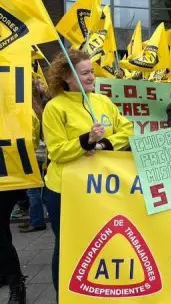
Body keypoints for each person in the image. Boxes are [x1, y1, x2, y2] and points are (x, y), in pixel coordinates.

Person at [42, 50, 134, 299]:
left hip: (97, 189)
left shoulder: (103, 102)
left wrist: (102, 144)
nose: (92, 76)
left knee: (94, 243)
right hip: (63, 190)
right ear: (67, 77)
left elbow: (128, 130)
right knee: (66, 245)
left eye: (92, 71)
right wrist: (86, 140)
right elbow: (57, 151)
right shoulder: (54, 107)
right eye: (85, 73)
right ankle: (63, 294)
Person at [0, 93, 42, 304]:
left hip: (8, 175)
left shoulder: (17, 106)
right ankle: (7, 274)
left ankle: (16, 284)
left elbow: (32, 136)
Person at [19, 80, 50, 233]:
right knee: (37, 188)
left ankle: (37, 221)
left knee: (32, 190)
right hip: (41, 153)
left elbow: (30, 138)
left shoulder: (27, 111)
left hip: (33, 153)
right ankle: (34, 218)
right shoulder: (38, 108)